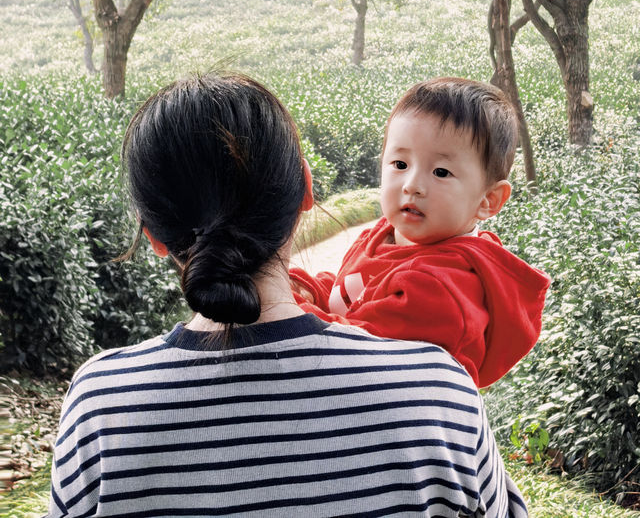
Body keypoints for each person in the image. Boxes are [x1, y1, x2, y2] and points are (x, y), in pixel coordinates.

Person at [47, 72, 528, 517]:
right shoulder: (440, 391)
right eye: (399, 163)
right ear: (304, 188)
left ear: (152, 234)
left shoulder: (100, 405)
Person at [291, 77, 550, 388]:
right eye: (400, 163)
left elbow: (349, 348)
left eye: (441, 172)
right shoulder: (385, 236)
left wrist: (288, 307)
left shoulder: (440, 288)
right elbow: (348, 296)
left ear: (487, 200)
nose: (412, 184)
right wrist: (301, 286)